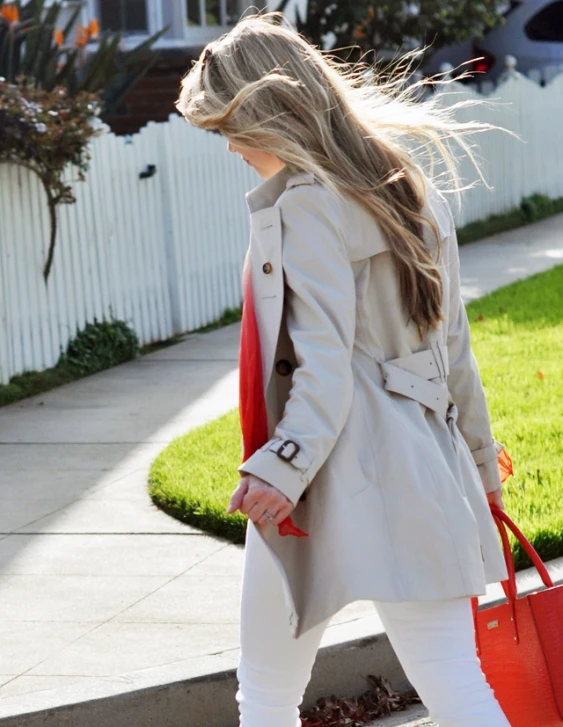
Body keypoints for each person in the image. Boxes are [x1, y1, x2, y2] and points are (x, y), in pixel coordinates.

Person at [176, 13, 511, 727]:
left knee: (266, 693)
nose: (229, 146)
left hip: (323, 477)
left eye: (227, 126)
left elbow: (322, 369)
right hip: (422, 467)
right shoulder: (408, 186)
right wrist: (479, 470)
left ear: (269, 114)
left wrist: (279, 467)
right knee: (454, 680)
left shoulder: (303, 207)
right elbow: (454, 349)